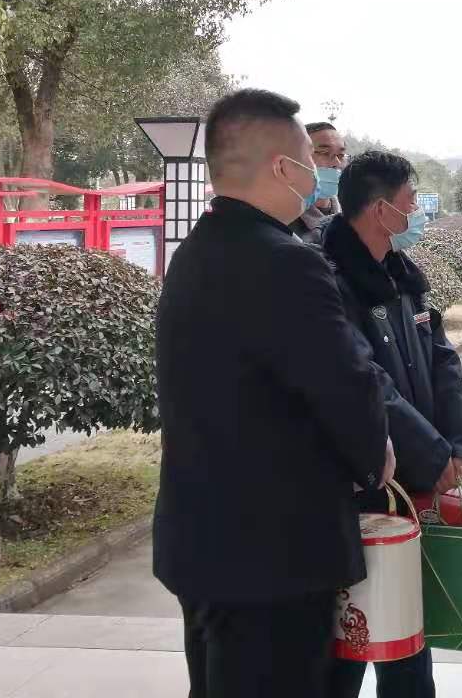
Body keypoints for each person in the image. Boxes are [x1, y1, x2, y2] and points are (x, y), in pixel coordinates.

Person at [153, 89, 392, 698]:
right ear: (284, 168)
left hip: (202, 544)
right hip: (274, 557)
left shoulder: (194, 253)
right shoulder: (287, 262)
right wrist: (376, 457)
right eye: (311, 162)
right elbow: (346, 384)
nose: (318, 175)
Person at [323, 150, 462, 698]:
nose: (416, 210)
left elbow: (442, 359)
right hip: (357, 488)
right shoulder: (328, 282)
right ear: (380, 210)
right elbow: (367, 382)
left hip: (413, 486)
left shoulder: (404, 275)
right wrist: (430, 452)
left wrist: (456, 447)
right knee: (350, 638)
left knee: (409, 638)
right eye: (410, 201)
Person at [293, 120, 348, 243]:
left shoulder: (351, 218)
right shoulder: (283, 220)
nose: (336, 163)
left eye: (341, 155)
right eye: (324, 153)